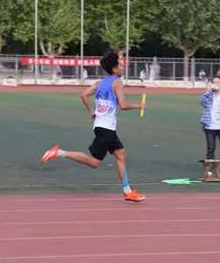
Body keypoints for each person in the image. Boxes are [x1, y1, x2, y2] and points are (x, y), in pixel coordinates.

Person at [41, 50, 146, 202]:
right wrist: (139, 105)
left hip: (102, 126)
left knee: (121, 155)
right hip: (106, 129)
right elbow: (123, 105)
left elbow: (83, 95)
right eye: (121, 65)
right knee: (95, 162)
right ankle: (60, 152)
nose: (123, 67)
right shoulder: (117, 82)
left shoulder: (100, 83)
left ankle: (127, 191)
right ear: (114, 69)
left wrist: (91, 111)